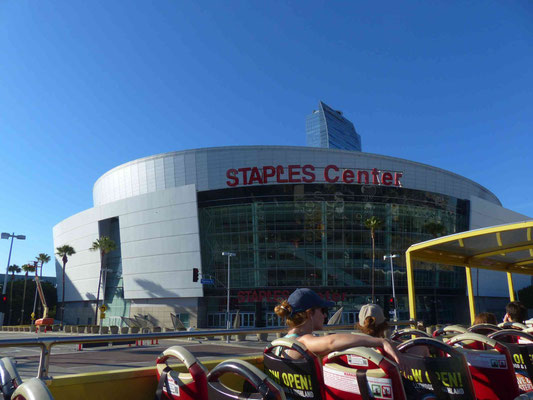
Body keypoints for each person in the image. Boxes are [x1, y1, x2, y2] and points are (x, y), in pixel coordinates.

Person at [274, 288, 402, 365]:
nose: (325, 316)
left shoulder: (279, 344)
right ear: (310, 313)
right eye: (323, 310)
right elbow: (331, 342)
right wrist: (381, 341)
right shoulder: (302, 342)